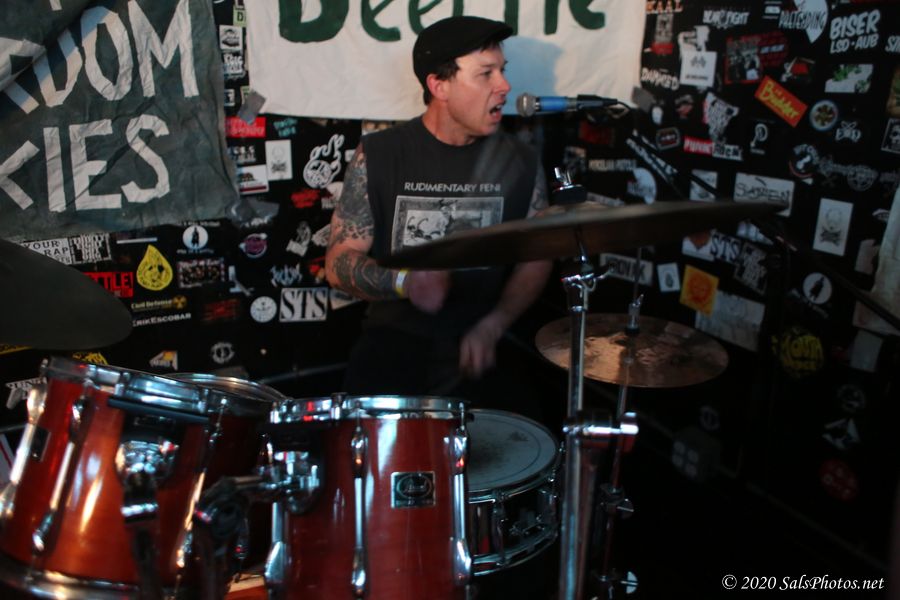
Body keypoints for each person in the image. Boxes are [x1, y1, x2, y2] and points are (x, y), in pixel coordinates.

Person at [325, 15, 553, 414]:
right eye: (486, 73)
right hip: (395, 340)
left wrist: (496, 323)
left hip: (485, 341)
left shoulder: (520, 160)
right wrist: (406, 282)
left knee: (528, 431)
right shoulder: (381, 154)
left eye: (502, 71)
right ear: (439, 86)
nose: (504, 86)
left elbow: (538, 256)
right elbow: (339, 261)